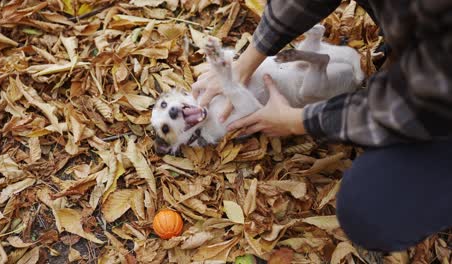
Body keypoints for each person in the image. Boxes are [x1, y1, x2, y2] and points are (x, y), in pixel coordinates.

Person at [192, 0, 452, 252]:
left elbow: (410, 106)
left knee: (370, 209)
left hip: (439, 98)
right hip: (425, 56)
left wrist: (297, 121)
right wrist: (246, 61)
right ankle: (406, 47)